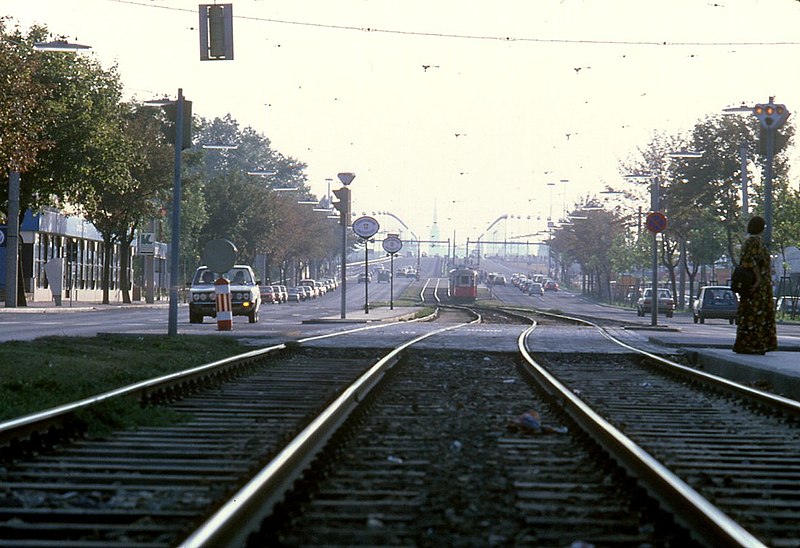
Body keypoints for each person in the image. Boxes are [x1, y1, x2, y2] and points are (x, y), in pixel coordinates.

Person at [734, 216, 778, 355]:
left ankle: (747, 343)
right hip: (757, 285)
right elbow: (751, 260)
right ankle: (754, 344)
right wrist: (759, 279)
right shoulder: (754, 241)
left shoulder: (749, 241)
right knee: (756, 313)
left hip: (756, 284)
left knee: (749, 313)